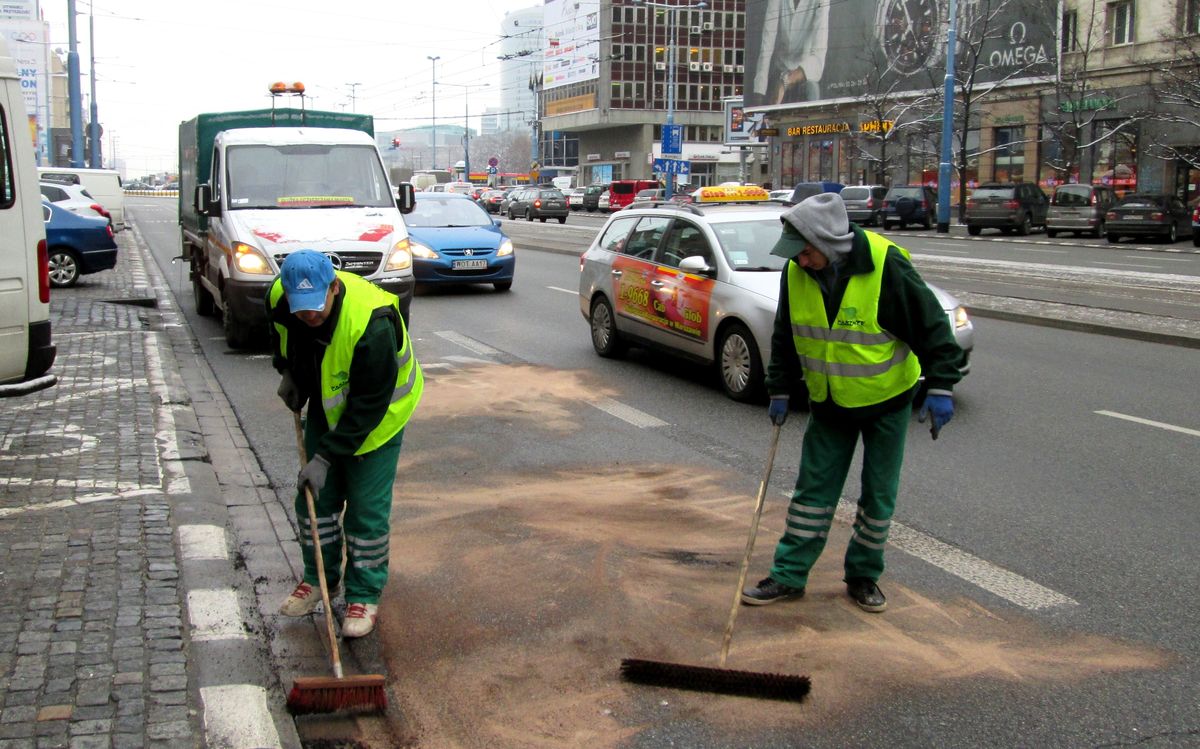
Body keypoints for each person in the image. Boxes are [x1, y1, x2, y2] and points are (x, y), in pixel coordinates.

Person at [742, 193, 962, 613]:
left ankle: (863, 576)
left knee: (878, 497)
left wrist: (941, 385)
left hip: (886, 401)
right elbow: (785, 334)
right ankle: (788, 575)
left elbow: (933, 328)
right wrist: (780, 387)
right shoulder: (797, 271)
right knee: (811, 494)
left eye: (805, 252)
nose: (800, 262)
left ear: (828, 243)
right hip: (829, 402)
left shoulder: (886, 266)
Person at [267, 249, 423, 637]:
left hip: (379, 417)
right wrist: (288, 372)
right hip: (329, 402)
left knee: (365, 512)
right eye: (300, 308)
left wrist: (325, 457)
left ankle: (363, 594)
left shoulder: (371, 323)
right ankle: (320, 579)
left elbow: (368, 407)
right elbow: (285, 337)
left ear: (334, 288)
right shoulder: (280, 299)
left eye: (316, 307)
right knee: (313, 500)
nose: (309, 316)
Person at [751, 0, 830, 105]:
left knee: (812, 89)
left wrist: (785, 81)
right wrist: (758, 94)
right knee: (766, 100)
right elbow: (767, 45)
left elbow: (818, 57)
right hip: (780, 70)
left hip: (804, 74)